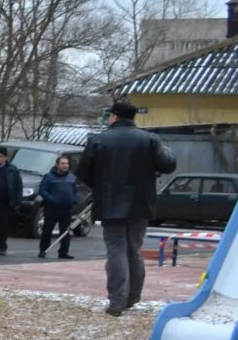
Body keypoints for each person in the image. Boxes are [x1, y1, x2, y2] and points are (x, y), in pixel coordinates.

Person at [76, 99, 177, 316]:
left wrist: (100, 186)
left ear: (114, 116)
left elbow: (83, 171)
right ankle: (132, 297)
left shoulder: (98, 140)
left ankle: (117, 300)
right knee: (134, 250)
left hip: (110, 203)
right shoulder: (149, 139)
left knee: (116, 250)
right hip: (141, 204)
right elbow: (168, 164)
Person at [36, 153, 80, 260]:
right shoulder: (48, 177)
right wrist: (52, 200)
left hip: (66, 208)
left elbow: (76, 191)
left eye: (67, 163)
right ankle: (43, 250)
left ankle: (63, 252)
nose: (65, 165)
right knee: (47, 230)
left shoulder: (72, 178)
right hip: (52, 208)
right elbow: (43, 190)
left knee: (65, 231)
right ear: (57, 165)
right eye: (63, 163)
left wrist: (74, 199)